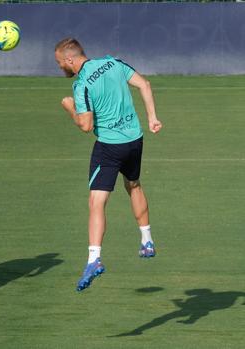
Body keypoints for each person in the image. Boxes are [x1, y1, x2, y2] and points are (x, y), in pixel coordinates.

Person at [54, 38, 163, 291]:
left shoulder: (81, 85)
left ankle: (94, 259)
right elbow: (144, 85)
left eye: (60, 63)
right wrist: (153, 118)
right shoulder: (112, 62)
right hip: (135, 139)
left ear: (70, 60)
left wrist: (70, 108)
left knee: (96, 201)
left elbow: (86, 126)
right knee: (133, 185)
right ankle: (146, 239)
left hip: (110, 147)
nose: (60, 67)